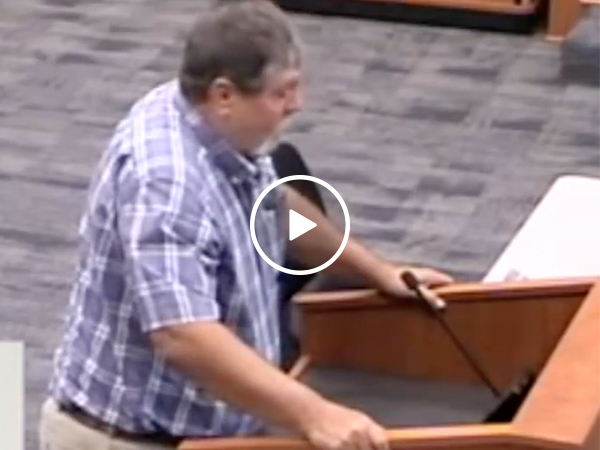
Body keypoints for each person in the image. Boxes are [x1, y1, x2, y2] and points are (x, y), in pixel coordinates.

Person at [38, 1, 453, 449]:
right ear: (224, 95)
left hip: (212, 428)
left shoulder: (212, 121)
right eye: (282, 92)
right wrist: (315, 414)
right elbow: (183, 334)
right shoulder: (166, 185)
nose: (297, 104)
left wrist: (378, 271)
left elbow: (274, 207)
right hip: (133, 439)